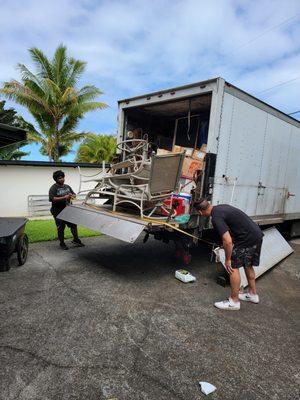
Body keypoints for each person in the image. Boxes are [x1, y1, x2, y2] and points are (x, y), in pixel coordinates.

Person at [194, 198, 263, 311]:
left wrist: (228, 259)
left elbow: (228, 241)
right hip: (256, 235)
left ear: (200, 212)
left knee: (232, 267)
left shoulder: (216, 217)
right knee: (248, 264)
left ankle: (234, 301)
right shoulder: (220, 208)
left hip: (246, 239)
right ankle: (252, 294)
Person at [49, 170, 84, 250]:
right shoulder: (53, 188)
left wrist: (72, 196)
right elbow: (52, 199)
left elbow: (74, 196)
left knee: (74, 225)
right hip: (58, 211)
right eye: (60, 178)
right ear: (56, 179)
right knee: (61, 227)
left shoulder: (67, 186)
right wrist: (64, 197)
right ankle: (62, 243)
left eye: (63, 177)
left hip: (69, 210)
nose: (62, 179)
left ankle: (76, 239)